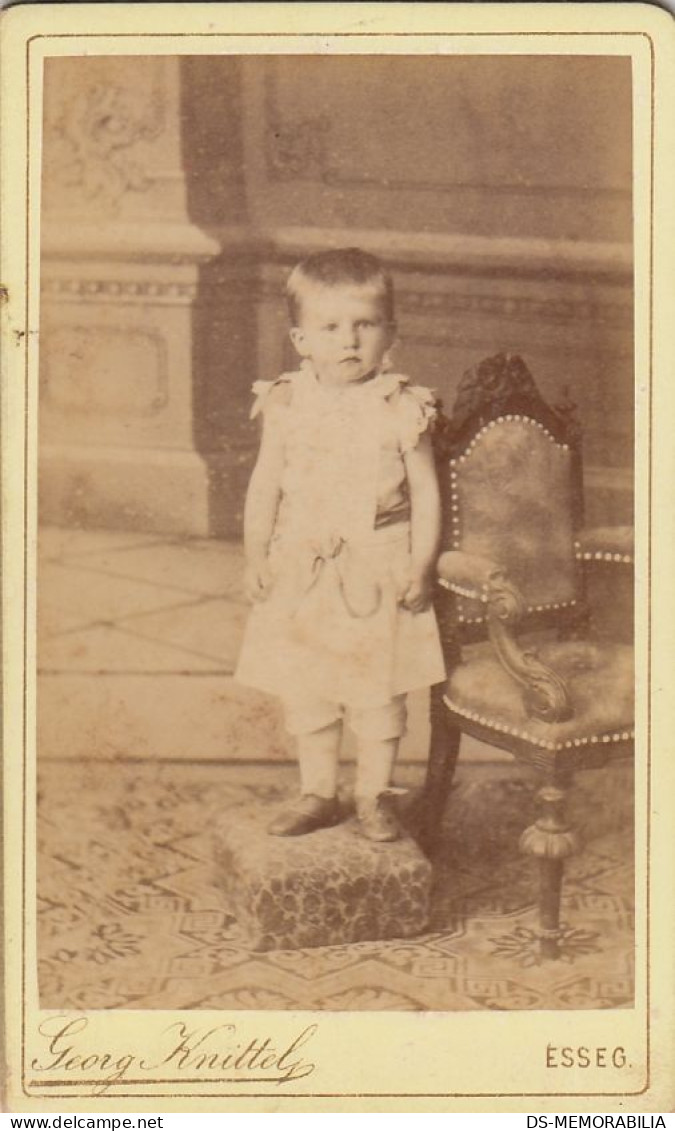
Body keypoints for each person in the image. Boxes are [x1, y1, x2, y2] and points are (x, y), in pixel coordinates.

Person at [235, 247, 445, 842]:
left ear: (391, 334)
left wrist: (421, 565)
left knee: (377, 687)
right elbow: (265, 486)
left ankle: (374, 794)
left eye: (365, 325)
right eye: (331, 328)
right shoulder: (286, 402)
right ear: (301, 339)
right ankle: (318, 792)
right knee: (309, 682)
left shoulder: (401, 407)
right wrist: (256, 557)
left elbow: (426, 495)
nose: (349, 341)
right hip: (303, 565)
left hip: (379, 564)